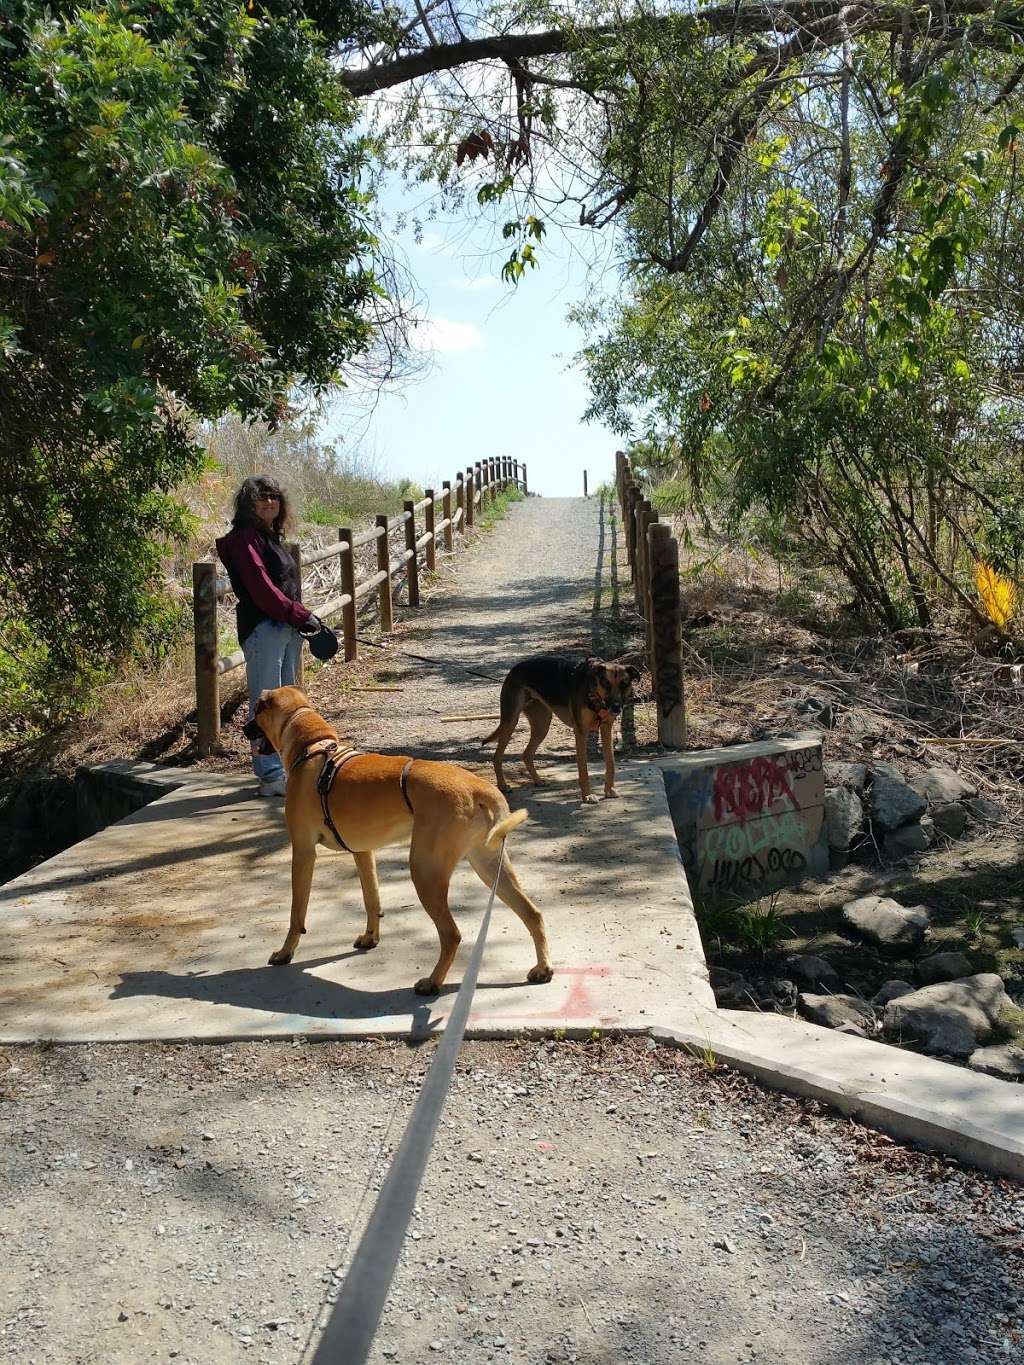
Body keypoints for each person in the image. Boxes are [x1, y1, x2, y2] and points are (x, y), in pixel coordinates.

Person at [216, 476, 325, 796]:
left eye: (274, 497)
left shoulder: (270, 537)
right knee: (264, 705)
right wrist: (300, 615)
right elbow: (262, 590)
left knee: (287, 703)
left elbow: (283, 588)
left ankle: (286, 768)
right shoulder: (244, 539)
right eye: (261, 497)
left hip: (286, 628)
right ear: (248, 503)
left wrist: (300, 619)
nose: (269, 502)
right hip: (264, 629)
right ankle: (269, 774)